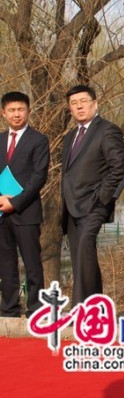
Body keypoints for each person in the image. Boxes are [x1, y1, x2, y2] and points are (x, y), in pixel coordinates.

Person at [60, 85, 124, 305]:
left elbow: (118, 168)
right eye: (74, 103)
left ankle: (80, 308)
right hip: (71, 204)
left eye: (83, 101)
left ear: (95, 103)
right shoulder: (70, 136)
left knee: (84, 246)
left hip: (95, 203)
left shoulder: (108, 130)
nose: (79, 107)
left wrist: (102, 198)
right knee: (81, 256)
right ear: (70, 109)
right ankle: (95, 307)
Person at [0, 91, 49, 317]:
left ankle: (36, 309)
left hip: (27, 211)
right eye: (12, 110)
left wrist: (15, 202)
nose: (16, 114)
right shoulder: (0, 139)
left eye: (21, 109)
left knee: (32, 263)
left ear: (28, 111)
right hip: (1, 212)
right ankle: (9, 309)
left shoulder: (38, 140)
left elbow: (39, 177)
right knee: (5, 264)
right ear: (3, 113)